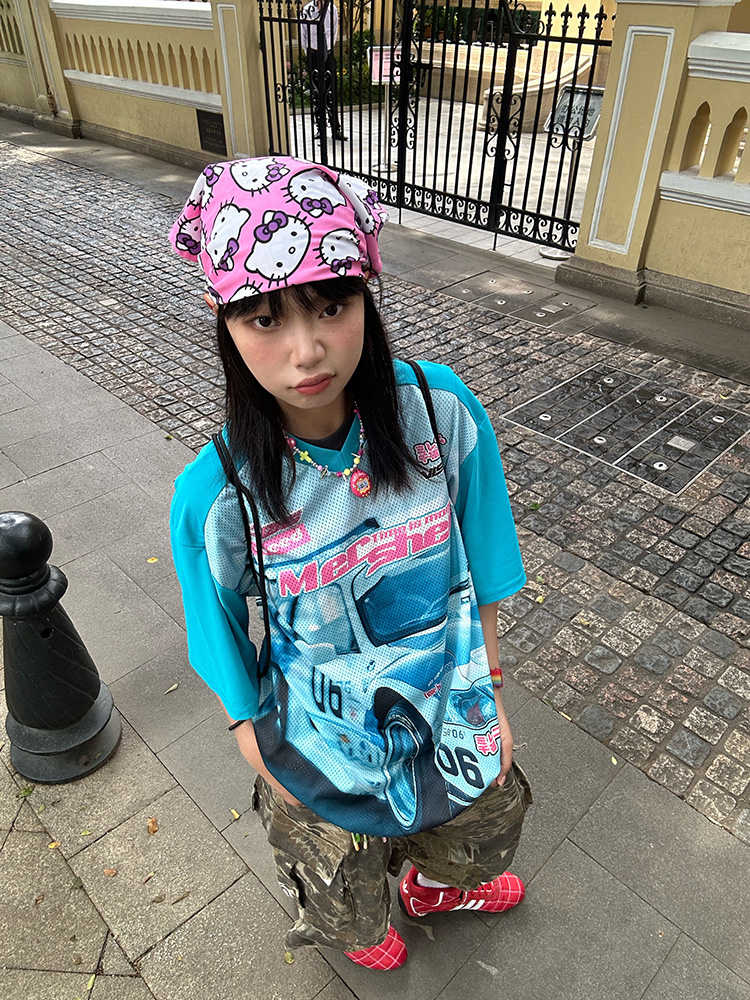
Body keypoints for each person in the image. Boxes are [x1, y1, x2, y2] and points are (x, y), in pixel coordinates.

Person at [169, 155, 532, 971]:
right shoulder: (218, 493)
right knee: (340, 887)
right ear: (223, 319)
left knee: (484, 829)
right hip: (315, 738)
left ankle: (437, 888)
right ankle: (364, 928)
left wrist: (490, 691)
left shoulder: (439, 410)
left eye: (331, 306)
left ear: (366, 292)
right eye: (264, 318)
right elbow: (218, 634)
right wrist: (255, 745)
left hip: (449, 709)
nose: (307, 351)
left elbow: (486, 556)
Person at [300, 0, 346, 141]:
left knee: (332, 91)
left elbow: (334, 31)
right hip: (314, 54)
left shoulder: (332, 9)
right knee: (317, 92)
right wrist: (310, 54)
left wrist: (327, 50)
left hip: (328, 53)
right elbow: (303, 36)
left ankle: (335, 128)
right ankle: (320, 128)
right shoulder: (307, 11)